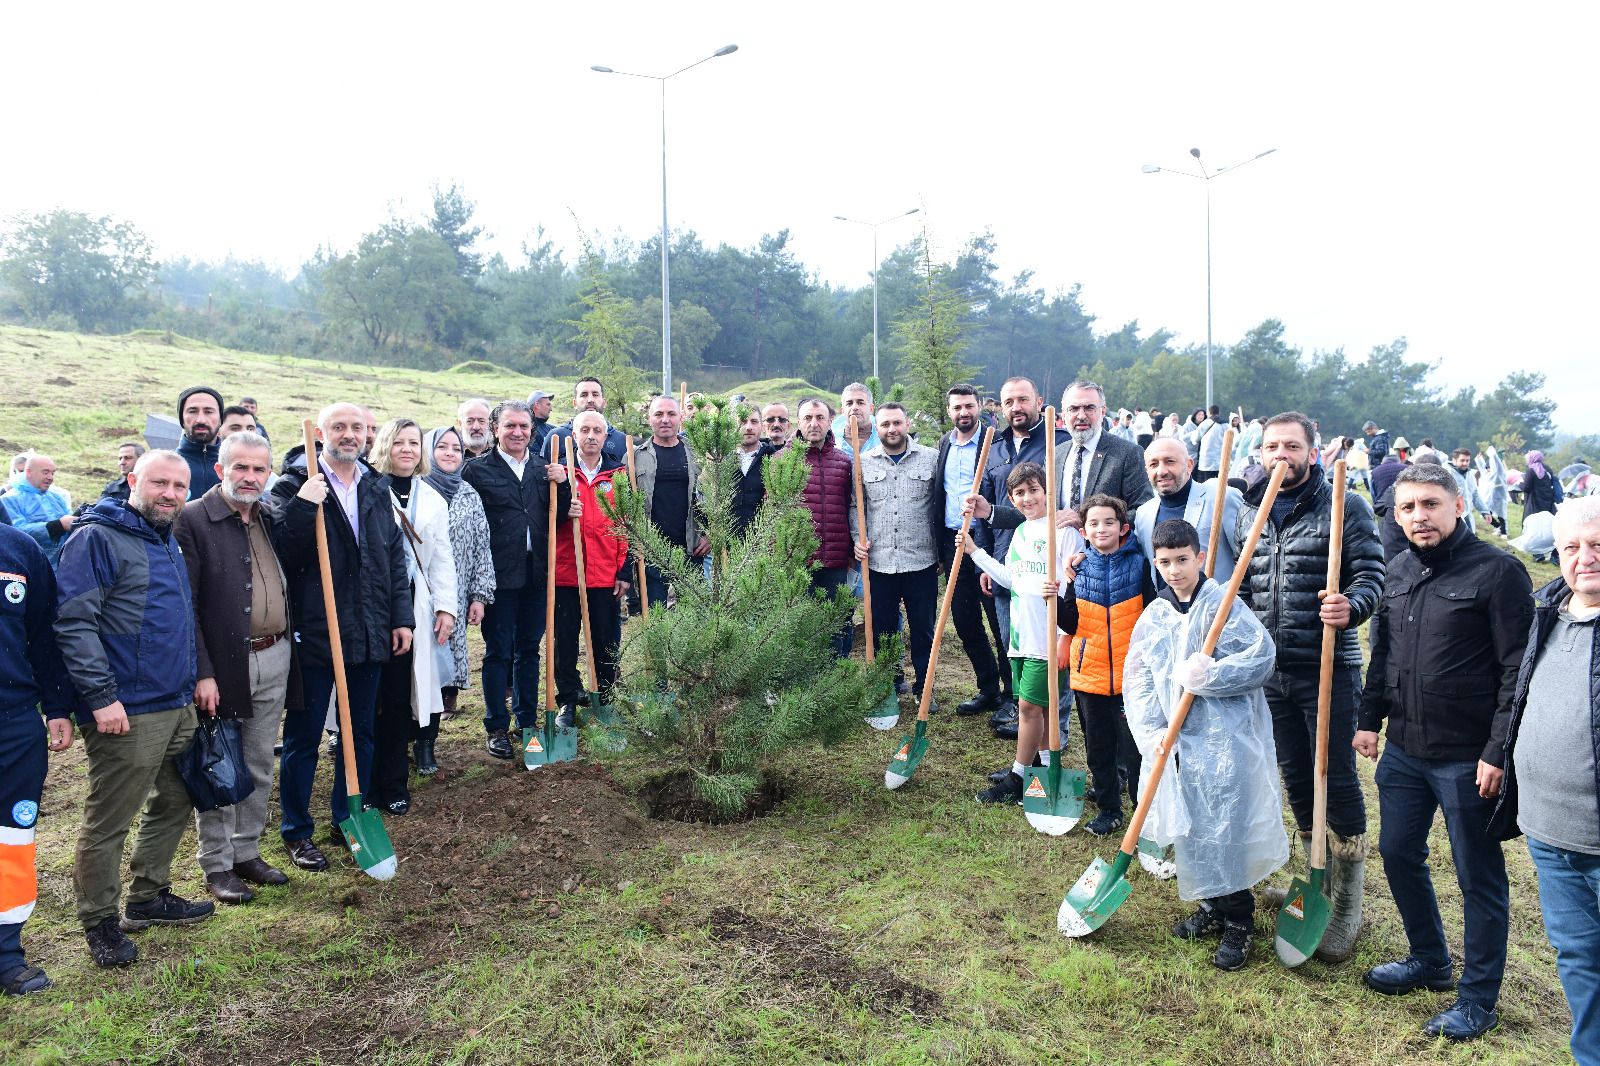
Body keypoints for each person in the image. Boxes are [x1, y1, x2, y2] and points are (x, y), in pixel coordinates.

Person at [1353, 463, 1532, 1042]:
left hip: (1467, 756)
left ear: (1458, 504)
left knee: (1477, 875)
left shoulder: (1499, 573)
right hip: (1404, 748)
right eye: (1406, 508)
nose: (1418, 517)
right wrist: (1367, 720)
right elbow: (1382, 654)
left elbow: (1516, 672)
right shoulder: (1399, 568)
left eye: (1430, 504)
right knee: (1398, 851)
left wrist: (1497, 750)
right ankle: (1430, 959)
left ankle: (1479, 999)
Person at [1237, 411, 1385, 963]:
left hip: (1329, 665)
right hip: (1273, 670)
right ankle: (1314, 878)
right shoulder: (1254, 508)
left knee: (1337, 778)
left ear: (1311, 451)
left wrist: (1353, 605)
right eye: (1272, 445)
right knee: (1298, 777)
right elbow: (1248, 584)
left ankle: (1348, 900)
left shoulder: (1344, 505)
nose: (1281, 454)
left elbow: (1373, 573)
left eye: (1291, 446)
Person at [56, 450, 213, 968]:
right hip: (127, 709)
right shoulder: (96, 537)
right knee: (110, 820)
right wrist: (101, 698)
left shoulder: (163, 535)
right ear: (132, 481)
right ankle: (99, 922)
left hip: (175, 700)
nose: (170, 493)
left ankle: (148, 896)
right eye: (159, 483)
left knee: (175, 799)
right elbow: (75, 624)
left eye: (179, 485)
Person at [1125, 518, 1287, 972]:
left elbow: (1260, 657)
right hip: (1176, 743)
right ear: (1155, 565)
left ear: (1200, 558)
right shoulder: (1156, 614)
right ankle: (1212, 907)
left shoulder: (1225, 607)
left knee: (1225, 826)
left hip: (1224, 739)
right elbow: (1137, 678)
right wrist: (1150, 730)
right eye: (1165, 562)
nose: (1174, 570)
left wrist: (1210, 675)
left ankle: (1240, 919)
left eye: (1182, 560)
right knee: (1194, 825)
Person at [271, 403, 413, 867]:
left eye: (357, 428)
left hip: (369, 628)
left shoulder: (375, 485)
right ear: (321, 432)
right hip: (317, 630)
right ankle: (296, 830)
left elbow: (393, 558)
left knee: (361, 730)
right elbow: (282, 555)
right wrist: (302, 506)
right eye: (339, 427)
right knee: (305, 735)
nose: (349, 435)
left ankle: (346, 815)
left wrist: (401, 618)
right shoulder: (295, 485)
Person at [1488, 496, 1600, 1065]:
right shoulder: (1545, 611)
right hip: (1550, 832)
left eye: (1598, 546)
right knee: (1578, 958)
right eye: (1573, 548)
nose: (1585, 559)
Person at [174, 430, 297, 905]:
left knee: (260, 760)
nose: (250, 477)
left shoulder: (268, 514)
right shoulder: (193, 520)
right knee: (221, 762)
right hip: (224, 663)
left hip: (275, 654)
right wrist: (202, 671)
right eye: (240, 468)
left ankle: (248, 850)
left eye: (259, 469)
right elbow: (186, 606)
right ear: (221, 470)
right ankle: (218, 863)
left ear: (269, 474)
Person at [962, 462, 1084, 803]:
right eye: (1020, 493)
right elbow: (1011, 580)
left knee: (1029, 708)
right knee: (1038, 710)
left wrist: (1064, 628)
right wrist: (975, 552)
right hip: (1021, 637)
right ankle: (1045, 771)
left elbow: (1073, 586)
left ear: (1047, 491)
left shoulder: (1063, 532)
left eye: (1033, 490)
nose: (1028, 498)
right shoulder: (1021, 533)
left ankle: (1018, 776)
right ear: (1012, 499)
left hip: (1049, 639)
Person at [461, 400, 571, 760]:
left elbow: (559, 516)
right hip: (498, 576)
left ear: (532, 430)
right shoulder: (477, 471)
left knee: (529, 648)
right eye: (509, 426)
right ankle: (496, 725)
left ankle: (527, 721)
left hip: (538, 574)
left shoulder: (544, 469)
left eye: (523, 426)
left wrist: (564, 483)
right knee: (498, 651)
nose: (517, 432)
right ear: (496, 429)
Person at [966, 377, 1068, 738]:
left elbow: (1058, 509)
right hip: (1007, 556)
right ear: (1000, 407)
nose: (1016, 407)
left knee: (1049, 643)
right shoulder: (993, 447)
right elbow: (987, 503)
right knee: (1011, 635)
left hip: (1047, 561)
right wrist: (983, 551)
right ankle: (1017, 699)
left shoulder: (1060, 445)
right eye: (1008, 402)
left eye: (1022, 400)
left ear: (1038, 401)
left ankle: (1052, 724)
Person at [368, 419, 456, 816]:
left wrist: (446, 606)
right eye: (399, 442)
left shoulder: (432, 499)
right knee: (370, 699)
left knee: (401, 695)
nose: (407, 449)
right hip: (371, 608)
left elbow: (441, 558)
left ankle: (393, 781)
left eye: (413, 443)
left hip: (415, 607)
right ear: (386, 445)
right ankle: (364, 784)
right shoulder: (367, 491)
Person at [0, 520, 72, 995]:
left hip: (15, 723)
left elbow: (46, 635)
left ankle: (7, 953)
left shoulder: (19, 549)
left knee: (12, 837)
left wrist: (59, 706)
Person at [1064, 494, 1156, 836]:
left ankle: (1141, 810)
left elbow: (1151, 613)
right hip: (1089, 674)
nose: (1101, 528)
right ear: (1084, 532)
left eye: (1108, 522)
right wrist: (1054, 603)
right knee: (1097, 747)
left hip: (1131, 677)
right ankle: (1108, 808)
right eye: (1093, 523)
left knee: (1134, 751)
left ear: (1123, 528)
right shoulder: (1078, 568)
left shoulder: (1139, 565)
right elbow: (1071, 623)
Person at [850, 403, 940, 702]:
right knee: (883, 629)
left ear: (907, 423)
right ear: (877, 428)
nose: (892, 429)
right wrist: (856, 539)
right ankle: (888, 683)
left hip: (921, 561)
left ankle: (923, 689)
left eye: (897, 423)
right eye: (885, 424)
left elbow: (939, 506)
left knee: (923, 630)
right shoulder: (864, 463)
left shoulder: (930, 458)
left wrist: (941, 550)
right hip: (879, 562)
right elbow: (856, 507)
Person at [933, 385, 1012, 721]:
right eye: (957, 408)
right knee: (965, 622)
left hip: (986, 543)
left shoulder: (994, 443)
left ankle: (1013, 694)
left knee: (998, 620)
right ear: (949, 411)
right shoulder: (945, 444)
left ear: (979, 406)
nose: (963, 413)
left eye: (968, 406)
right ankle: (988, 688)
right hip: (954, 543)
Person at [419, 426, 495, 773]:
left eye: (456, 448)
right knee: (417, 673)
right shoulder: (415, 492)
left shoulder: (468, 494)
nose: (450, 453)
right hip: (417, 598)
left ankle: (427, 745)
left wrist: (479, 595)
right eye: (442, 447)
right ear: (427, 451)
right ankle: (409, 738)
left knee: (442, 669)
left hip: (455, 598)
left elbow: (482, 547)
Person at [553, 411, 630, 719]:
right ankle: (568, 699)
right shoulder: (559, 474)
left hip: (605, 573)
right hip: (566, 573)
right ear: (573, 434)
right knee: (566, 641)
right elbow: (546, 521)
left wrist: (624, 571)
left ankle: (606, 696)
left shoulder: (618, 475)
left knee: (606, 639)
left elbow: (627, 524)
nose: (591, 436)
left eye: (597, 430)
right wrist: (562, 508)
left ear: (606, 436)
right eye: (584, 429)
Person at [1133, 437, 1246, 588]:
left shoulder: (1221, 497)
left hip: (1219, 607)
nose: (1161, 471)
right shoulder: (1143, 514)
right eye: (1154, 464)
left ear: (1189, 465)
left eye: (1170, 461)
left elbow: (1249, 558)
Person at [792, 397, 855, 657]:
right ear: (798, 422)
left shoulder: (844, 463)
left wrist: (851, 553)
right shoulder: (782, 462)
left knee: (834, 626)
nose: (814, 424)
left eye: (820, 418)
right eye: (808, 418)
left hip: (835, 562)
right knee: (798, 630)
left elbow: (851, 509)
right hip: (797, 563)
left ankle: (834, 684)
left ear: (831, 422)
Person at [632, 396, 708, 611]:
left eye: (671, 414)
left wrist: (709, 534)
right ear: (649, 419)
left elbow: (714, 497)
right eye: (659, 414)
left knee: (692, 617)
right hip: (652, 551)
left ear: (680, 418)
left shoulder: (698, 455)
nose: (665, 419)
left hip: (691, 548)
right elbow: (626, 506)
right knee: (655, 619)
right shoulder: (635, 457)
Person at [2, 455, 74, 566]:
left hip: (61, 569)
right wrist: (55, 526)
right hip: (27, 567)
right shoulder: (9, 499)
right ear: (29, 472)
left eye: (52, 473)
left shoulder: (57, 498)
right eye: (45, 472)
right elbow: (14, 533)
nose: (50, 477)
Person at [552, 377, 631, 462]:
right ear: (575, 403)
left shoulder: (622, 441)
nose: (590, 400)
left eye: (595, 394)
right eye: (584, 395)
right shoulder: (557, 437)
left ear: (604, 402)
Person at [731, 408, 775, 537]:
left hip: (763, 541)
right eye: (743, 422)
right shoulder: (721, 460)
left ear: (762, 426)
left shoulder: (774, 458)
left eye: (754, 421)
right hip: (725, 545)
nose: (748, 427)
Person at [176, 386, 224, 500]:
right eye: (192, 411)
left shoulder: (237, 466)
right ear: (181, 419)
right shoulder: (165, 465)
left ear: (220, 419)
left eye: (208, 412)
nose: (201, 420)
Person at [831, 383, 878, 460]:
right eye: (849, 403)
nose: (854, 407)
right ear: (842, 410)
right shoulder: (830, 439)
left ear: (871, 408)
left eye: (860, 403)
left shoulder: (883, 436)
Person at [1521, 450, 1564, 525]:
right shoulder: (1547, 469)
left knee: (1534, 523)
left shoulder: (1531, 470)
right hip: (1548, 502)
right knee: (1546, 523)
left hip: (1534, 503)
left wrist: (1520, 484)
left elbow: (1526, 488)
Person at [1475, 446, 1510, 534]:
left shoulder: (1498, 474)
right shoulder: (1486, 474)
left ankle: (1503, 532)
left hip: (1499, 497)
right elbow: (1482, 468)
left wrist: (1493, 455)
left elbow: (1496, 464)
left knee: (1501, 515)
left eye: (1489, 468)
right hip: (1488, 499)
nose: (1488, 470)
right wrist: (1479, 459)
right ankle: (1497, 526)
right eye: (1487, 468)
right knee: (1485, 514)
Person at [100, 442, 145, 506]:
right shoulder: (112, 487)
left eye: (127, 458)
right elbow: (99, 510)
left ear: (141, 459)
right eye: (120, 458)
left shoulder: (152, 485)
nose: (122, 462)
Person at [1198, 405, 1228, 482]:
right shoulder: (1225, 424)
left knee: (1207, 484)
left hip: (1207, 460)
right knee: (1220, 484)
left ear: (1209, 413)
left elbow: (1194, 439)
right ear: (1219, 412)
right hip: (1221, 460)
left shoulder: (1205, 423)